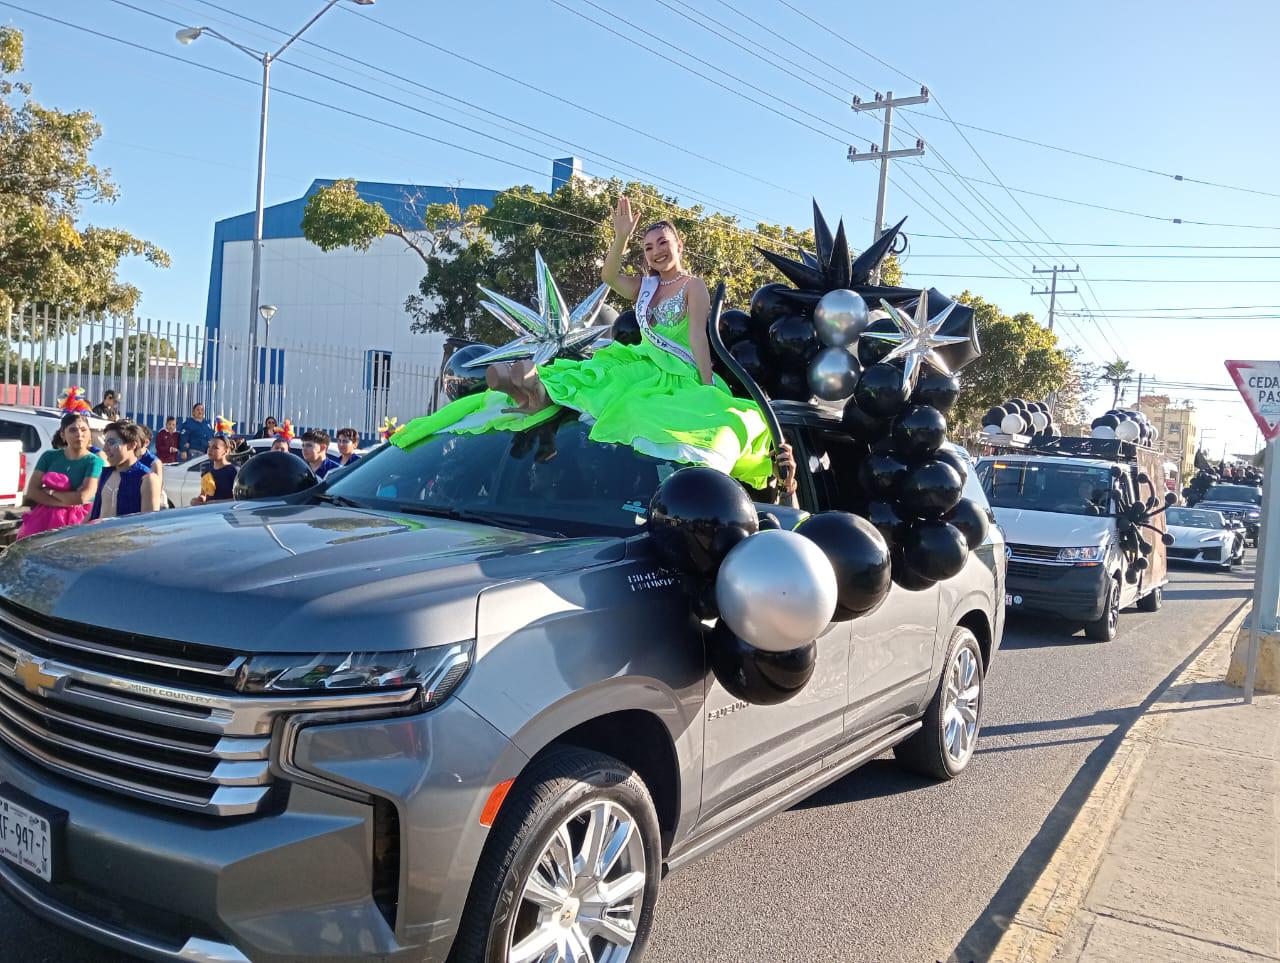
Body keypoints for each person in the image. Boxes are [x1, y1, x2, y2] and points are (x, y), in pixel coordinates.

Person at [390, 196, 775, 490]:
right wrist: (621, 236)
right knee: (593, 375)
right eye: (648, 247)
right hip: (639, 359)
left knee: (621, 395)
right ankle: (532, 384)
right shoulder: (646, 286)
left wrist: (706, 386)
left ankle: (534, 387)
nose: (656, 251)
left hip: (676, 370)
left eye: (662, 242)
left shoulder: (694, 286)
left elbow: (696, 337)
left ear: (679, 244)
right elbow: (609, 275)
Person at [18, 412, 103, 538]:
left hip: (81, 520)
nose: (79, 434)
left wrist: (49, 491)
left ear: (89, 433)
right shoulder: (49, 456)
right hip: (43, 520)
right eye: (72, 430)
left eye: (83, 429)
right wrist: (65, 503)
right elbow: (32, 491)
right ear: (63, 435)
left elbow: (82, 497)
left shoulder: (94, 461)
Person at [91, 420, 162, 520]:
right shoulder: (105, 475)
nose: (105, 448)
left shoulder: (147, 479)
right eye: (105, 442)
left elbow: (148, 525)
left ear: (132, 445)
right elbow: (93, 513)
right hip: (100, 535)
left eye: (111, 442)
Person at [192, 434, 237, 505]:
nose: (210, 450)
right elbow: (204, 493)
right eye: (209, 446)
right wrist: (199, 499)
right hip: (210, 513)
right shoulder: (207, 469)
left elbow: (238, 499)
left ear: (225, 451)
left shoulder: (233, 471)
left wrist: (215, 503)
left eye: (215, 447)